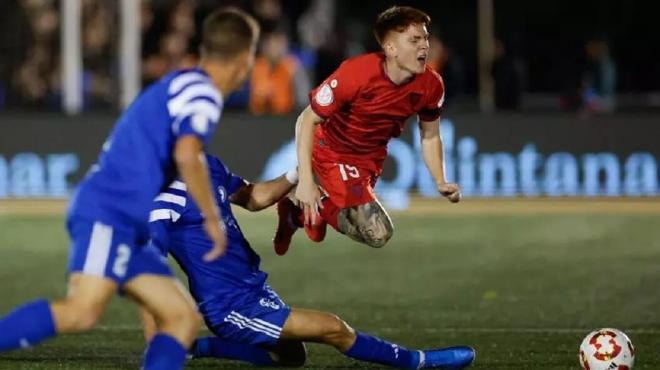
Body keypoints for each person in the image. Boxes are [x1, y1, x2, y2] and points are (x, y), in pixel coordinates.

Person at [0, 8, 259, 370]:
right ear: (245, 60)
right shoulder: (202, 95)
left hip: (128, 222)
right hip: (110, 212)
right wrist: (212, 218)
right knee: (82, 311)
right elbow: (188, 154)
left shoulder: (183, 83)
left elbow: (182, 154)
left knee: (181, 318)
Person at [145, 154, 476, 369]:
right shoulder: (161, 203)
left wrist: (297, 173)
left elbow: (253, 197)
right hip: (230, 307)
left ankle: (194, 347)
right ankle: (418, 362)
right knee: (333, 328)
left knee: (292, 357)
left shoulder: (204, 164)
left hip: (252, 287)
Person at [273, 6, 461, 255]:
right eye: (414, 40)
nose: (424, 46)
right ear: (391, 48)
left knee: (319, 231)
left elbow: (430, 134)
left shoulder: (431, 85)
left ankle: (295, 214)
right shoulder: (356, 74)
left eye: (425, 38)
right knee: (378, 231)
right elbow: (306, 120)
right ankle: (306, 206)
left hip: (371, 160)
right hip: (332, 151)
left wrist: (440, 179)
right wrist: (306, 182)